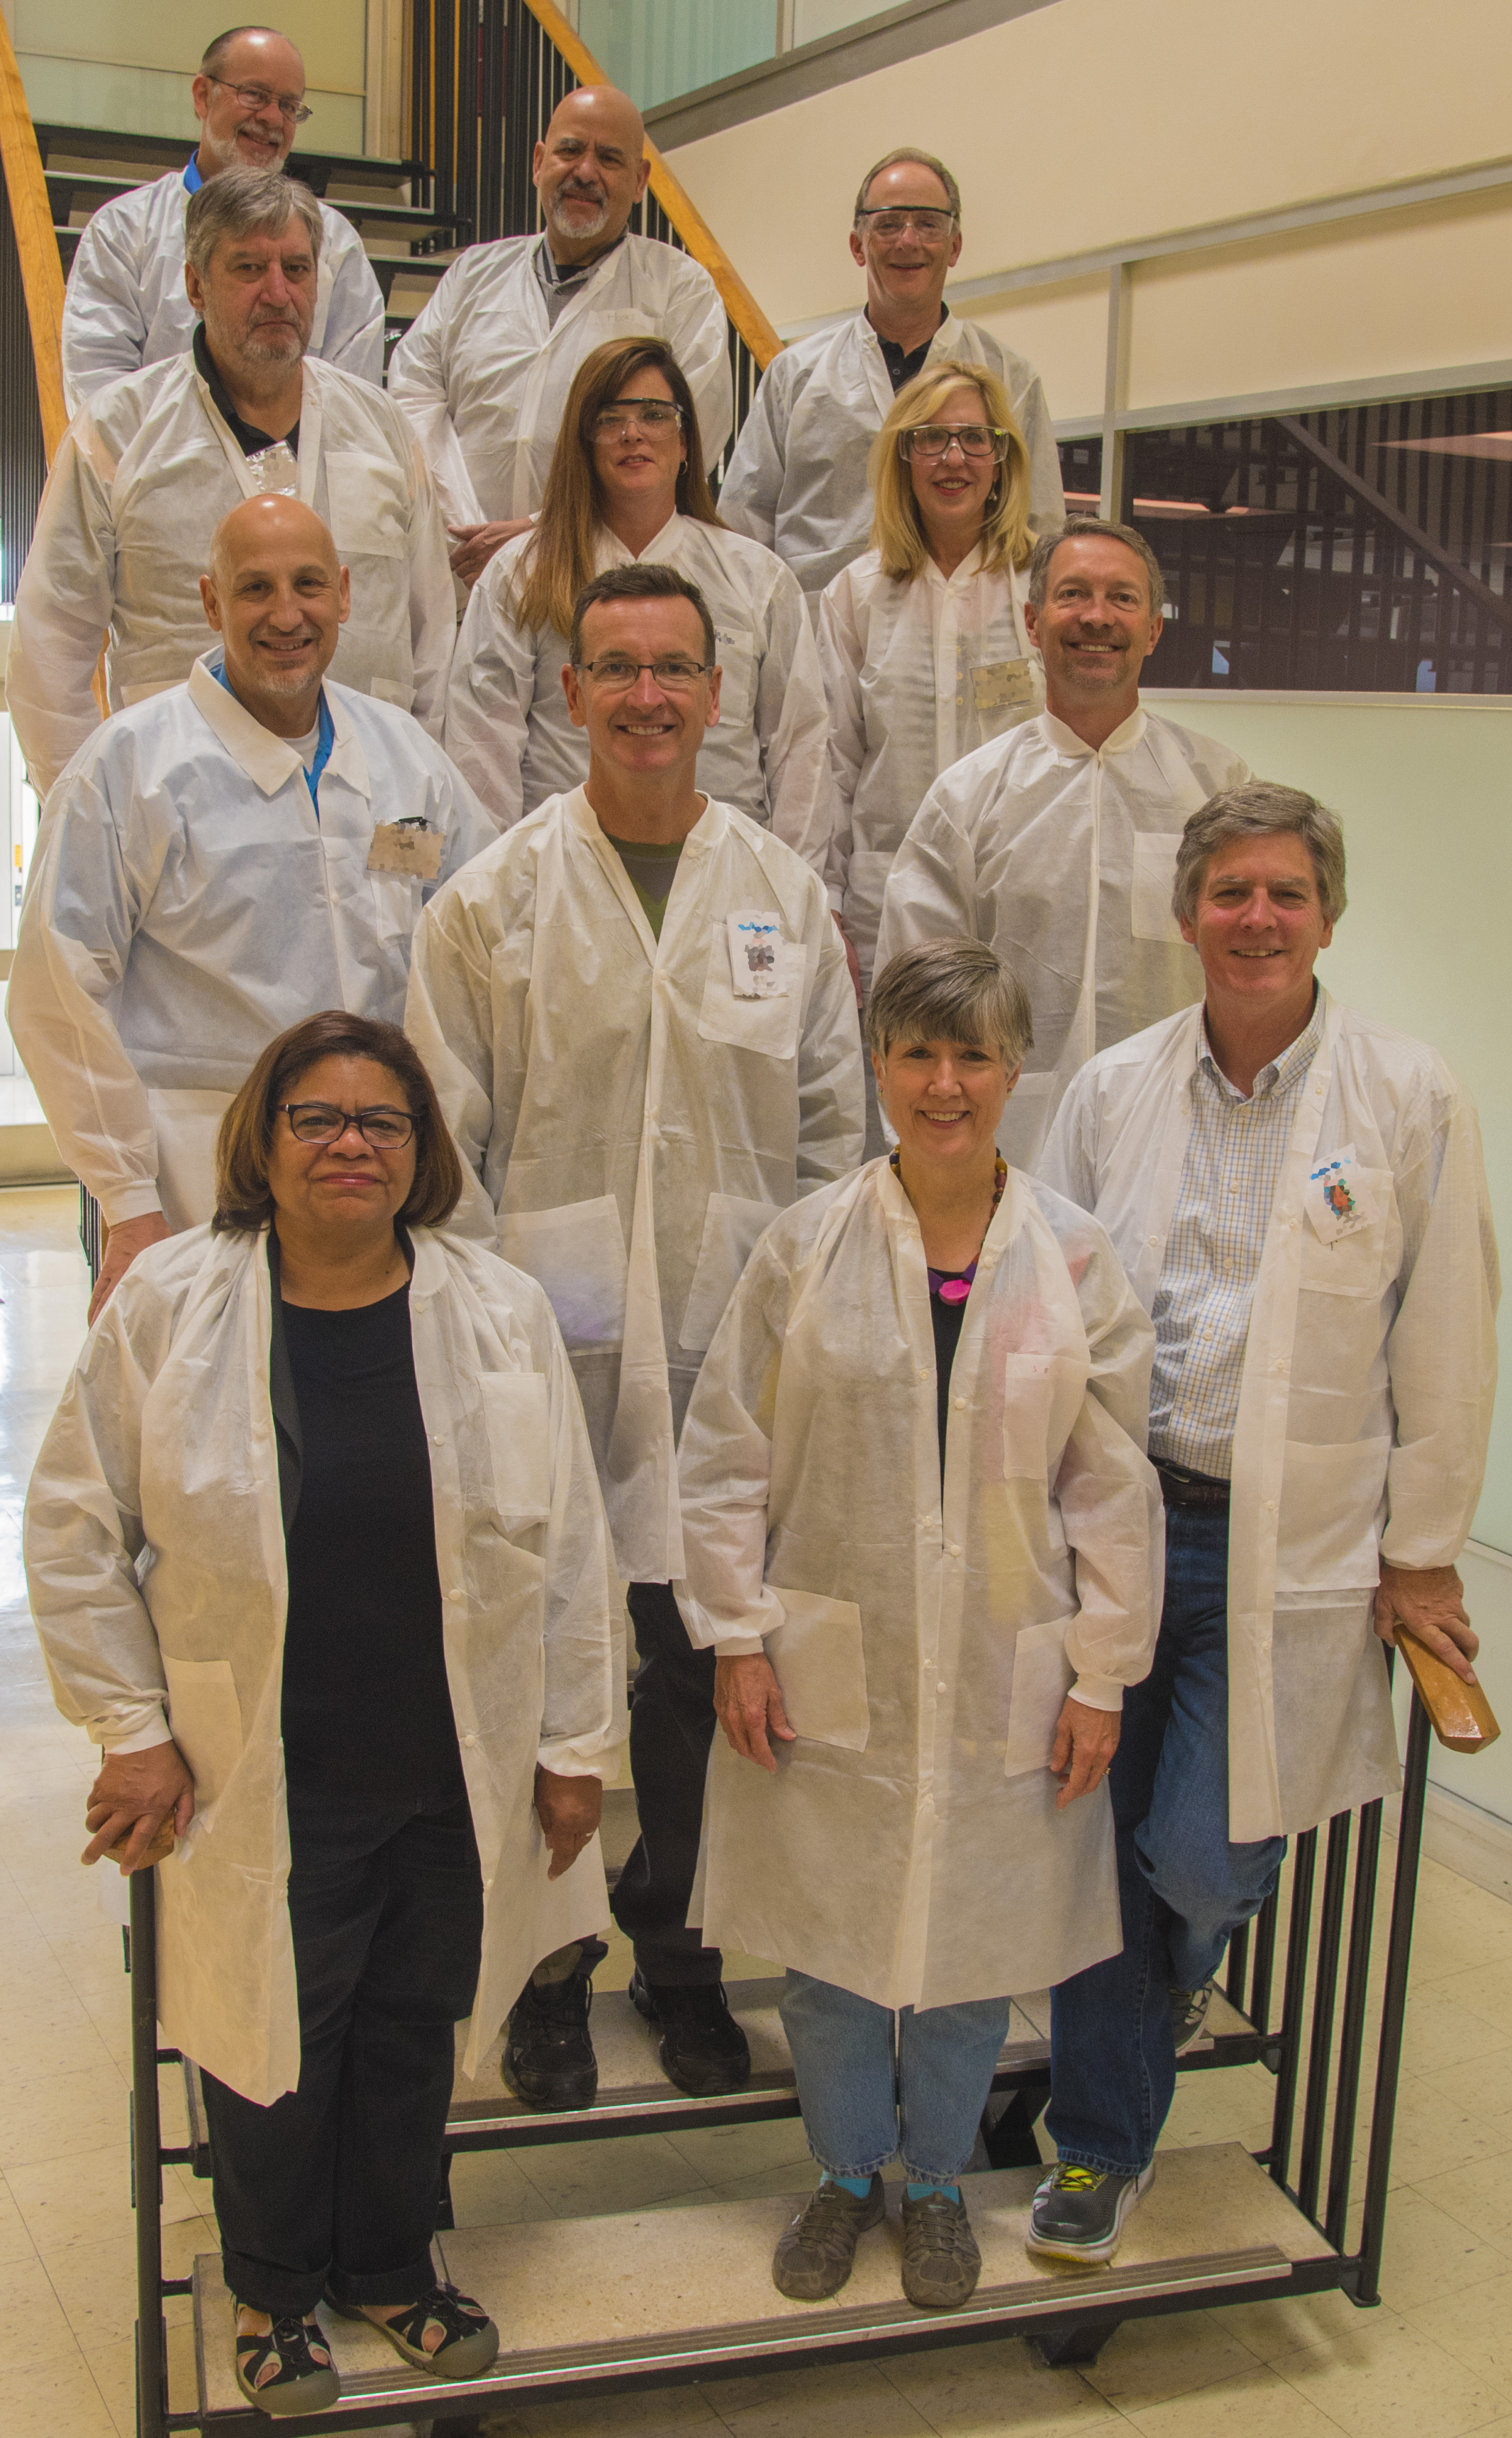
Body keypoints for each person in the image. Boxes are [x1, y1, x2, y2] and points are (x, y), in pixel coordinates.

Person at [25, 1011, 624, 2416]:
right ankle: (273, 2287)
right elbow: (69, 1526)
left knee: (412, 2027)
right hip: (262, 1772)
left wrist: (575, 1746)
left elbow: (574, 1545)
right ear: (265, 1140)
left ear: (420, 1153)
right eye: (318, 1118)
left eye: (383, 1122)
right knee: (270, 2043)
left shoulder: (494, 1308)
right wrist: (133, 1727)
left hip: (446, 1757)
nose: (351, 1143)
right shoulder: (174, 1304)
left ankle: (390, 2267)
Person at [407, 563, 864, 2108]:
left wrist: (795, 1340)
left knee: (684, 1670)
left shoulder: (779, 898)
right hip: (551, 1348)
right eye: (618, 668)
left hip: (731, 1354)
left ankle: (675, 1951)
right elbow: (442, 1140)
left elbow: (826, 1135)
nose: (649, 697)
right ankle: (545, 1973)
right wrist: (488, 1352)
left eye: (676, 669)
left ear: (716, 697)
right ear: (570, 692)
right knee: (549, 1669)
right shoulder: (492, 900)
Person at [1030, 784, 1499, 2267]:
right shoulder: (1112, 1088)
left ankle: (1141, 2010)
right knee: (1103, 1841)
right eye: (1228, 892)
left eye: (1284, 894)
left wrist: (1421, 1550)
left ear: (1326, 917)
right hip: (1127, 1524)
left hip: (1295, 1549)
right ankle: (1099, 2147)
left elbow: (1446, 1336)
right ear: (1186, 918)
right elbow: (1048, 1311)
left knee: (1205, 1856)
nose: (1254, 920)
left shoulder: (1406, 1094)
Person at [675, 939, 1161, 2308]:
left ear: (1015, 1068)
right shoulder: (807, 1240)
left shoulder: (1071, 1254)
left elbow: (1111, 1477)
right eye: (916, 1053)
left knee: (964, 1954)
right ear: (880, 1064)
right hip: (835, 1650)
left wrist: (1103, 1672)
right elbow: (726, 1452)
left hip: (1012, 1658)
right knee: (829, 1954)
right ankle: (841, 2174)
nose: (945, 1084)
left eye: (975, 1054)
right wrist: (736, 1635)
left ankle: (936, 2180)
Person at [7, 495, 492, 1322]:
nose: (286, 614)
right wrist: (127, 1198)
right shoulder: (131, 766)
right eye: (255, 588)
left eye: (308, 584)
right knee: (212, 1422)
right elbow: (57, 991)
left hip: (375, 1172)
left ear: (343, 594)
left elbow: (479, 942)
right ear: (210, 602)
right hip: (198, 1172)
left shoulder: (405, 756)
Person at [7, 167, 452, 799]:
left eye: (296, 270)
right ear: (194, 284)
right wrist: (88, 817)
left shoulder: (380, 428)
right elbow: (50, 648)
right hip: (182, 807)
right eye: (249, 270)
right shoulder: (119, 432)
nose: (278, 293)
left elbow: (431, 639)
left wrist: (417, 808)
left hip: (368, 799)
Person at [877, 518, 1251, 1171]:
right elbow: (915, 996)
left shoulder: (1214, 790)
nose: (1096, 617)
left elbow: (1253, 976)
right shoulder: (967, 799)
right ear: (1031, 621)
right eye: (1073, 594)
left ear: (1153, 628)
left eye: (1122, 598)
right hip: (1008, 1148)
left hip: (1180, 1139)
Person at [445, 337, 835, 877]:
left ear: (684, 443)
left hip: (729, 874)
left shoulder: (756, 577)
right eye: (611, 418)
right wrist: (500, 885)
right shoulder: (523, 573)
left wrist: (798, 886)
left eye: (655, 415)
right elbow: (481, 750)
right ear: (584, 441)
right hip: (564, 873)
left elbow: (801, 750)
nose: (633, 433)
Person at [819, 359, 1042, 1149]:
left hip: (1021, 888)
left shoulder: (1039, 588)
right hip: (892, 899)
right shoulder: (857, 594)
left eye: (974, 438)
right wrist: (831, 905)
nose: (953, 458)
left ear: (1003, 458)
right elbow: (834, 765)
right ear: (902, 457)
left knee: (1015, 1093)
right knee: (909, 1105)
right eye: (932, 439)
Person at [389, 85, 731, 590]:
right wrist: (462, 528)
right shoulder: (474, 274)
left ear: (639, 181)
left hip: (603, 576)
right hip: (459, 564)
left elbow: (686, 436)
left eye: (610, 158)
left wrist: (537, 530)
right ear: (539, 162)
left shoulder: (680, 290)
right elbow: (412, 397)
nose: (585, 172)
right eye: (570, 150)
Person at [719, 148, 1063, 605]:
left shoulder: (1009, 379)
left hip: (966, 634)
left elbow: (1040, 529)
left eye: (928, 224)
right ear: (858, 246)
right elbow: (743, 527)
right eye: (888, 224)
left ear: (955, 246)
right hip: (817, 644)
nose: (908, 240)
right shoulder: (795, 375)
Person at [60, 24, 384, 413]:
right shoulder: (122, 232)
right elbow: (99, 401)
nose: (272, 119)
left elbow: (353, 403)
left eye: (288, 106)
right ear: (202, 96)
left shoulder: (335, 241)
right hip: (155, 468)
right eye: (254, 95)